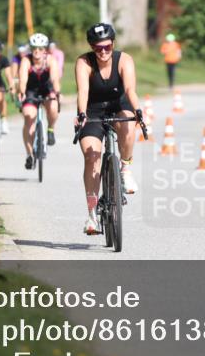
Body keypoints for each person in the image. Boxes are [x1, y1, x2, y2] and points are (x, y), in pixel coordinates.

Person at [74, 23, 143, 235]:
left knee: (128, 123)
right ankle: (92, 214)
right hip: (93, 111)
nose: (102, 52)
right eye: (97, 48)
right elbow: (83, 91)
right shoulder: (84, 62)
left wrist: (138, 110)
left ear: (113, 44)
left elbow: (130, 89)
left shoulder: (124, 60)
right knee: (91, 156)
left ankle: (125, 169)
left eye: (107, 47)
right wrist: (82, 113)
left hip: (118, 105)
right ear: (91, 47)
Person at [19, 33, 61, 169]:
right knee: (28, 116)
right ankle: (29, 154)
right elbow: (23, 79)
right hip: (31, 91)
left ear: (45, 50)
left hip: (46, 89)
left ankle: (50, 129)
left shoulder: (50, 60)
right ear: (31, 49)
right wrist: (21, 91)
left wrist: (56, 91)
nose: (37, 51)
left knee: (53, 107)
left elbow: (54, 78)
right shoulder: (26, 60)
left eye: (41, 48)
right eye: (34, 48)